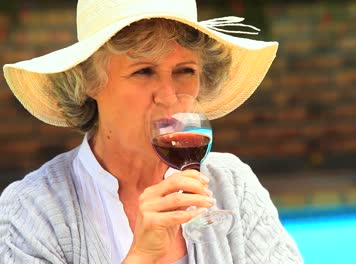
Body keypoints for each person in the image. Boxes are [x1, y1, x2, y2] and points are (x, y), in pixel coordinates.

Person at [0, 0, 302, 263]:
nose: (168, 95)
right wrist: (142, 256)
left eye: (185, 71)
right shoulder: (33, 208)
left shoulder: (233, 187)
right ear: (89, 81)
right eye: (143, 71)